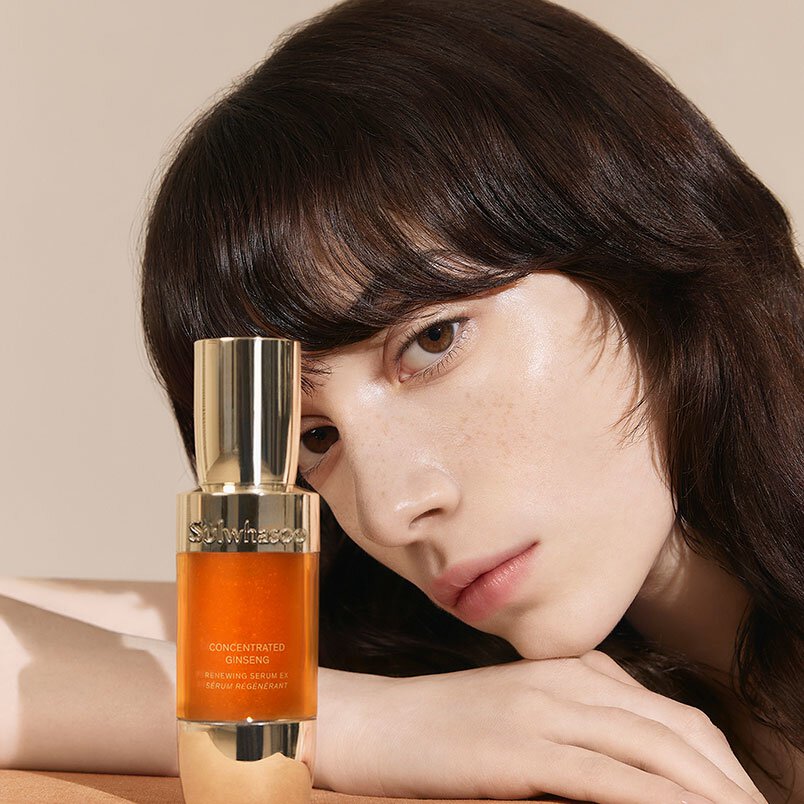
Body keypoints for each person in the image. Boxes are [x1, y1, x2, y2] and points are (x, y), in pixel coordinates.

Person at [1, 1, 801, 802]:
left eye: (431, 341)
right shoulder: (419, 646)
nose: (386, 513)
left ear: (640, 243)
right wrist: (359, 723)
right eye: (316, 438)